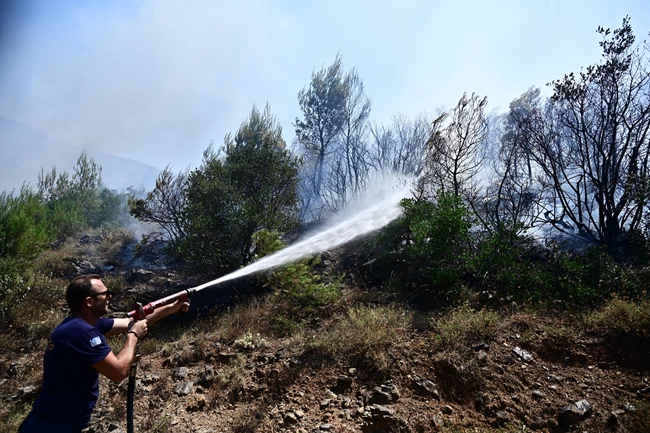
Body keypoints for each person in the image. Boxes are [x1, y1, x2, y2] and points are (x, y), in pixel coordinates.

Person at [19, 274, 190, 433]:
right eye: (105, 293)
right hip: (53, 426)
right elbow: (118, 371)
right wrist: (134, 336)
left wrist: (171, 308)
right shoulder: (82, 333)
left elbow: (130, 322)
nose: (110, 296)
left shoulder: (83, 325)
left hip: (53, 422)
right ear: (89, 302)